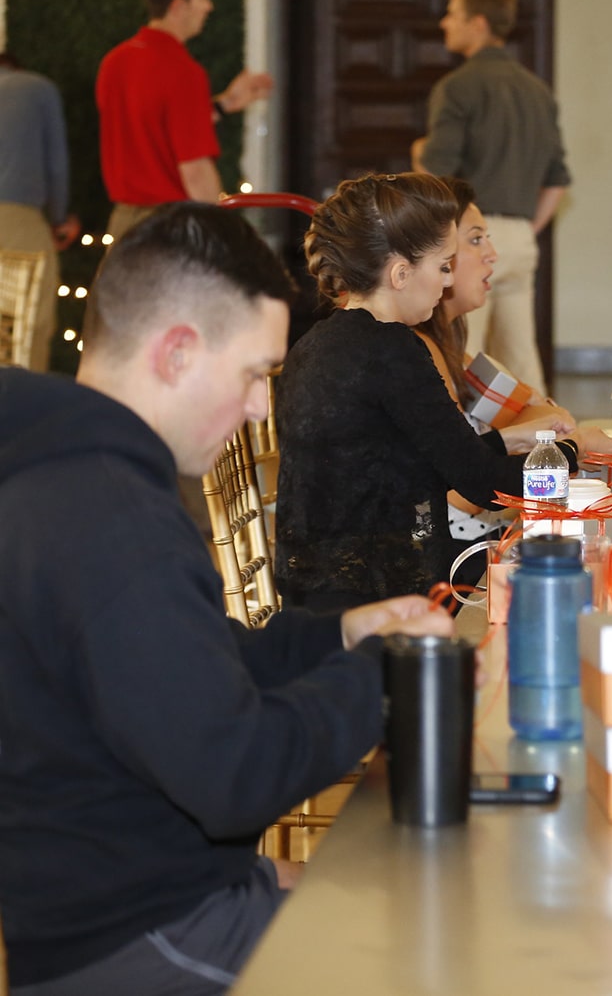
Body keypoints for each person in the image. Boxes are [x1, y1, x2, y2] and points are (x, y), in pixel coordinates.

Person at [0, 203, 454, 995]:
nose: (257, 410)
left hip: (148, 893)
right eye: (253, 375)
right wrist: (389, 672)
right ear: (177, 352)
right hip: (139, 939)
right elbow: (235, 777)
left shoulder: (68, 472)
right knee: (451, 952)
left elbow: (178, 672)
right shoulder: (112, 522)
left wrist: (339, 636)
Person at [274, 172, 578, 612]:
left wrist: (511, 441)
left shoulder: (316, 343)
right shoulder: (393, 349)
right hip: (379, 596)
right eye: (443, 267)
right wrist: (571, 459)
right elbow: (483, 485)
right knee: (557, 573)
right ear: (400, 273)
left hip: (319, 586)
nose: (447, 283)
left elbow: (424, 457)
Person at [415, 177, 612, 551]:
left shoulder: (453, 350)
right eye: (476, 239)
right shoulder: (420, 354)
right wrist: (563, 448)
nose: (492, 254)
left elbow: (541, 411)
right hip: (456, 557)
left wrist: (540, 439)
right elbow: (458, 495)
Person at [411, 0, 570, 397]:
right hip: (520, 236)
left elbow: (434, 177)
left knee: (462, 349)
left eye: (452, 15)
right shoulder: (538, 90)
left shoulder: (458, 86)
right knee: (521, 357)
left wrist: (418, 152)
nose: (444, 23)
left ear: (477, 24)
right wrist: (524, 231)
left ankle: (467, 450)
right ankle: (548, 444)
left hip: (468, 239)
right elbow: (557, 180)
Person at [95, 0, 273, 241]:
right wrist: (222, 233)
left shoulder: (114, 62)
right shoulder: (182, 71)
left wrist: (223, 104)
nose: (209, 7)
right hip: (169, 229)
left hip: (122, 226)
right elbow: (195, 170)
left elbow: (151, 125)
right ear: (178, 6)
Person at [0, 52, 79, 370]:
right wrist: (58, 219)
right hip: (21, 223)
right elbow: (56, 165)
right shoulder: (37, 89)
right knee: (26, 331)